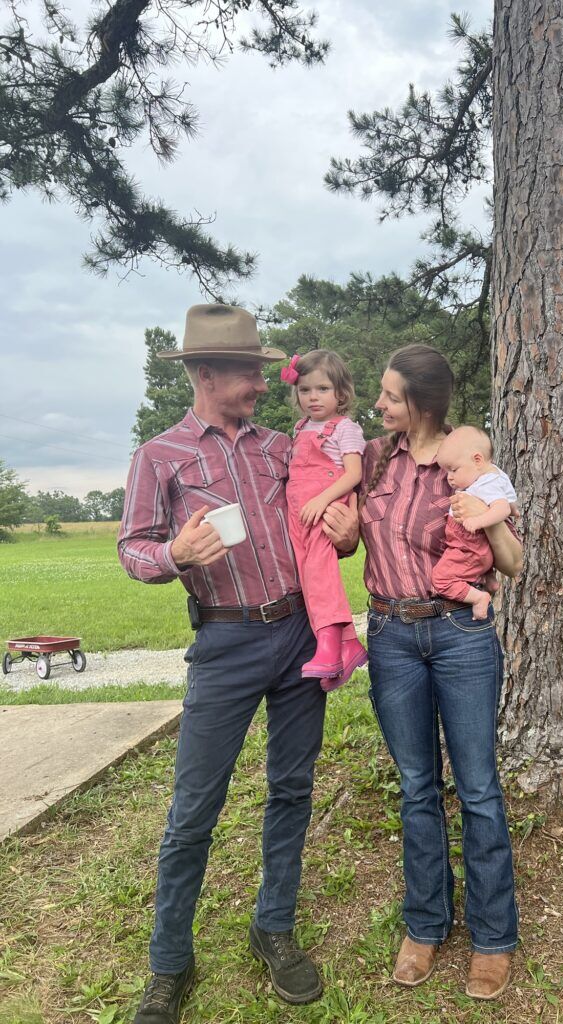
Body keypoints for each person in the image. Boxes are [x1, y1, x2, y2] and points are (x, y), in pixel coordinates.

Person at [118, 303, 338, 1023]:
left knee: (292, 788)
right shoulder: (160, 456)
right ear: (207, 373)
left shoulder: (282, 448)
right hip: (224, 643)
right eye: (250, 372)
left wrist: (345, 529)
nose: (265, 384)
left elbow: (327, 531)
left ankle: (273, 926)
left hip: (299, 633)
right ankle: (169, 964)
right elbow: (133, 548)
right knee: (193, 811)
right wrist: (174, 554)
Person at [322, 344, 523, 1001]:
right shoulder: (374, 459)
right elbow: (353, 541)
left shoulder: (468, 458)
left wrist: (487, 522)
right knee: (416, 786)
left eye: (391, 396)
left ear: (423, 403)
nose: (378, 404)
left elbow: (513, 564)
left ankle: (493, 937)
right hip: (391, 635)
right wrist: (345, 532)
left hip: (461, 634)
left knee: (479, 787)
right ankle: (426, 925)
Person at [280, 349, 368, 688]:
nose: (313, 397)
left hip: (326, 506)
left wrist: (323, 499)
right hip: (299, 509)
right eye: (305, 390)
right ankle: (347, 645)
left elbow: (353, 474)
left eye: (323, 389)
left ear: (341, 394)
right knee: (306, 576)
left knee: (320, 573)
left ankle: (329, 645)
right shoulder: (300, 428)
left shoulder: (345, 428)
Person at [432, 425, 520, 620]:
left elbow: (502, 509)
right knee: (476, 558)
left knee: (441, 579)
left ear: (477, 460)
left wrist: (479, 520)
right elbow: (509, 502)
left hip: (468, 542)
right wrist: (514, 509)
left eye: (453, 470)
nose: (449, 478)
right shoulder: (494, 474)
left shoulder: (485, 483)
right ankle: (489, 578)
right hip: (477, 546)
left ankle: (478, 598)